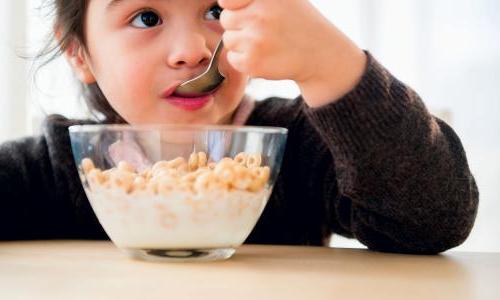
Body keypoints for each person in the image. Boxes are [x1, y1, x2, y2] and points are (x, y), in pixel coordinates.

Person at [0, 0, 478, 254]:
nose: (190, 49)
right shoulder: (60, 166)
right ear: (78, 52)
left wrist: (331, 65)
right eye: (146, 17)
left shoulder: (301, 145)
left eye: (215, 12)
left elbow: (432, 220)